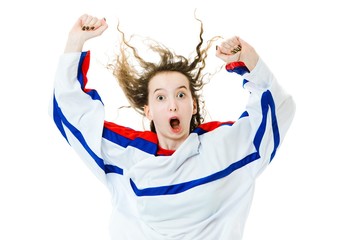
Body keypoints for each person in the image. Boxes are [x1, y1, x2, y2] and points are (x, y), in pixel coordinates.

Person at [50, 13, 295, 240]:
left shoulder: (225, 146)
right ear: (149, 111)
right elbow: (71, 114)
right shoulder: (127, 154)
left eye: (180, 95)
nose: (172, 106)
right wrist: (75, 41)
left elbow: (279, 108)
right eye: (160, 97)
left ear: (194, 105)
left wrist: (249, 61)